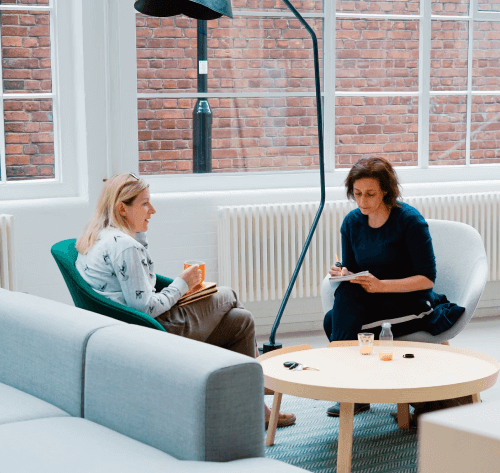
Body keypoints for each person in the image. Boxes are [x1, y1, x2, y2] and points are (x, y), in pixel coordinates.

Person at [75, 172, 296, 429]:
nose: (153, 210)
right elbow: (144, 306)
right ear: (122, 208)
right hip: (155, 331)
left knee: (241, 321)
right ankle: (260, 384)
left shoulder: (102, 237)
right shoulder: (126, 247)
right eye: (145, 203)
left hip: (133, 328)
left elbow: (138, 289)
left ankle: (255, 407)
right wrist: (182, 284)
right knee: (228, 294)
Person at [324, 156, 465, 420]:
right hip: (376, 300)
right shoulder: (352, 222)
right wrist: (342, 272)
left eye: (370, 194)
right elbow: (353, 270)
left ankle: (349, 387)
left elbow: (427, 279)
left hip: (412, 302)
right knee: (335, 313)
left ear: (386, 190)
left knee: (335, 322)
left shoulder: (409, 221)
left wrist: (380, 286)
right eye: (357, 194)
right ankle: (356, 389)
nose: (362, 201)